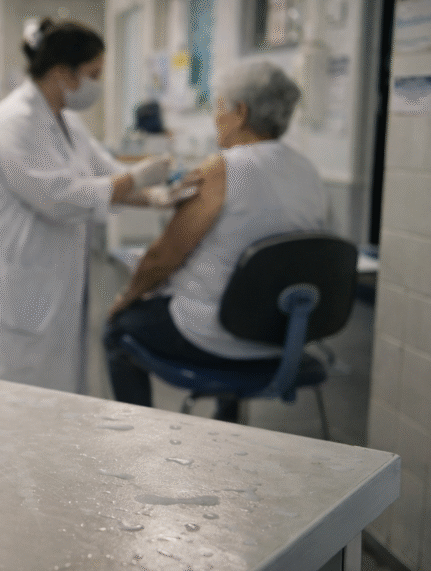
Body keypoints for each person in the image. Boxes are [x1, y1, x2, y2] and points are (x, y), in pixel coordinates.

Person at [0, 18, 173, 394]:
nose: (97, 84)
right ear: (63, 73)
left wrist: (158, 198)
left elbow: (103, 174)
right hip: (8, 265)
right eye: (93, 73)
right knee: (6, 380)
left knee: (51, 377)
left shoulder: (66, 121)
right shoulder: (13, 121)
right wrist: (138, 180)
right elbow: (58, 197)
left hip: (47, 265)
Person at [103, 60, 329, 421]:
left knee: (118, 329)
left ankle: (136, 438)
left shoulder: (223, 168)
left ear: (239, 112)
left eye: (218, 107)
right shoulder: (308, 172)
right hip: (281, 335)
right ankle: (228, 426)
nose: (214, 117)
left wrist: (125, 297)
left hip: (212, 336)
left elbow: (163, 257)